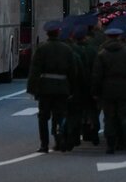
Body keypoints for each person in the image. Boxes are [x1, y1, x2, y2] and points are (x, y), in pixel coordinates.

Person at [27, 21, 78, 153]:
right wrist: (72, 88)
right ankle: (59, 138)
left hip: (45, 87)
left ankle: (44, 144)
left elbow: (35, 70)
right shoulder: (66, 49)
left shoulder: (42, 48)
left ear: (47, 34)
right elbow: (72, 71)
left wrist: (32, 88)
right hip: (62, 86)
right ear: (59, 33)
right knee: (59, 115)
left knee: (43, 117)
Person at [92, 27, 126, 154]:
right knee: (125, 116)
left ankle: (110, 144)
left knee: (109, 118)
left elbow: (97, 75)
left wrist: (96, 92)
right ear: (120, 37)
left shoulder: (102, 54)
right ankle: (125, 138)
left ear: (107, 37)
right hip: (125, 88)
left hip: (107, 89)